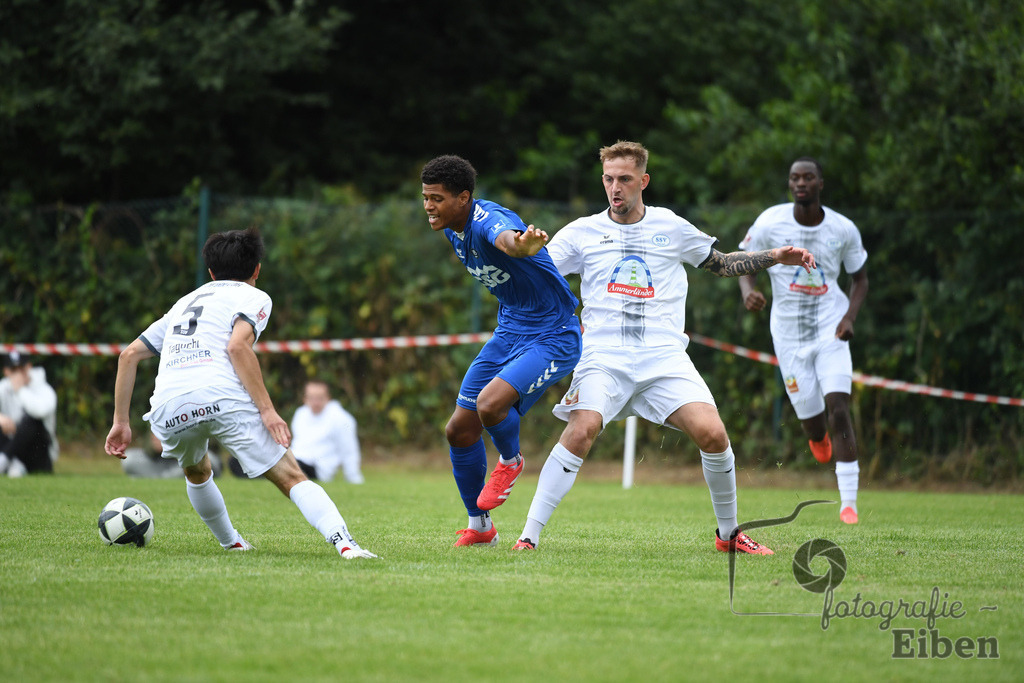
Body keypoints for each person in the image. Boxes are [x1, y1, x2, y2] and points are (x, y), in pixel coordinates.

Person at [514, 140, 816, 554]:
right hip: (604, 357)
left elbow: (723, 263)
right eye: (608, 179)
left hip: (664, 359)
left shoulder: (670, 226)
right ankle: (528, 538)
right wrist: (521, 254)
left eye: (624, 179)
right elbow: (539, 278)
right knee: (581, 429)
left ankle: (729, 537)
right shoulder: (582, 233)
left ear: (644, 180)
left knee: (713, 434)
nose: (615, 187)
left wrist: (775, 256)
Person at [104, 226, 376, 558]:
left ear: (210, 272)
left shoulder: (184, 302)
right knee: (291, 475)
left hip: (168, 406)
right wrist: (267, 410)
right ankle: (346, 545)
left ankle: (231, 543)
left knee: (197, 471)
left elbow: (129, 355)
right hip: (221, 397)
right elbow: (237, 347)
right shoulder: (254, 296)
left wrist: (121, 421)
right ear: (257, 269)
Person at [421, 155, 583, 547]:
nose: (429, 206)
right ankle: (480, 527)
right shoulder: (451, 228)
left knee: (490, 405)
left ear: (464, 197)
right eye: (425, 197)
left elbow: (507, 239)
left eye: (437, 198)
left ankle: (510, 460)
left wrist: (522, 246)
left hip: (554, 333)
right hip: (511, 329)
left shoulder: (484, 219)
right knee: (458, 430)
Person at [738, 157, 868, 524]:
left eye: (808, 177)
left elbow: (860, 280)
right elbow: (744, 261)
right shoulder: (770, 222)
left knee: (839, 407)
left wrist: (848, 318)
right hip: (789, 336)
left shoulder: (843, 229)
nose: (801, 183)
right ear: (789, 184)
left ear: (820, 183)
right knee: (814, 423)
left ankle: (849, 504)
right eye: (795, 178)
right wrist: (748, 291)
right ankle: (817, 437)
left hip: (831, 330)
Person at [291, 379, 364, 484]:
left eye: (320, 398)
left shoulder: (340, 418)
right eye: (311, 398)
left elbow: (349, 450)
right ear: (305, 398)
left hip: (317, 469)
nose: (315, 403)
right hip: (295, 459)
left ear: (328, 398)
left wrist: (353, 477)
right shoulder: (300, 414)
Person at [0, 351, 58, 477]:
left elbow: (40, 412)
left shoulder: (44, 389)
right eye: (14, 370)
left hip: (38, 454)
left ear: (29, 367)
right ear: (6, 371)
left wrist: (20, 390)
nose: (18, 374)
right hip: (12, 446)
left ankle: (4, 460)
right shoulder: (3, 388)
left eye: (21, 369)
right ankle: (12, 464)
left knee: (31, 422)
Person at [122, 428, 224, 479]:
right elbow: (147, 447)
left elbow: (212, 443)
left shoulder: (199, 408)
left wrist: (177, 445)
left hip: (187, 461)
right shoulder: (159, 408)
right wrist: (154, 446)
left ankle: (162, 478)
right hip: (161, 463)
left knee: (209, 459)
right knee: (130, 457)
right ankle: (165, 478)